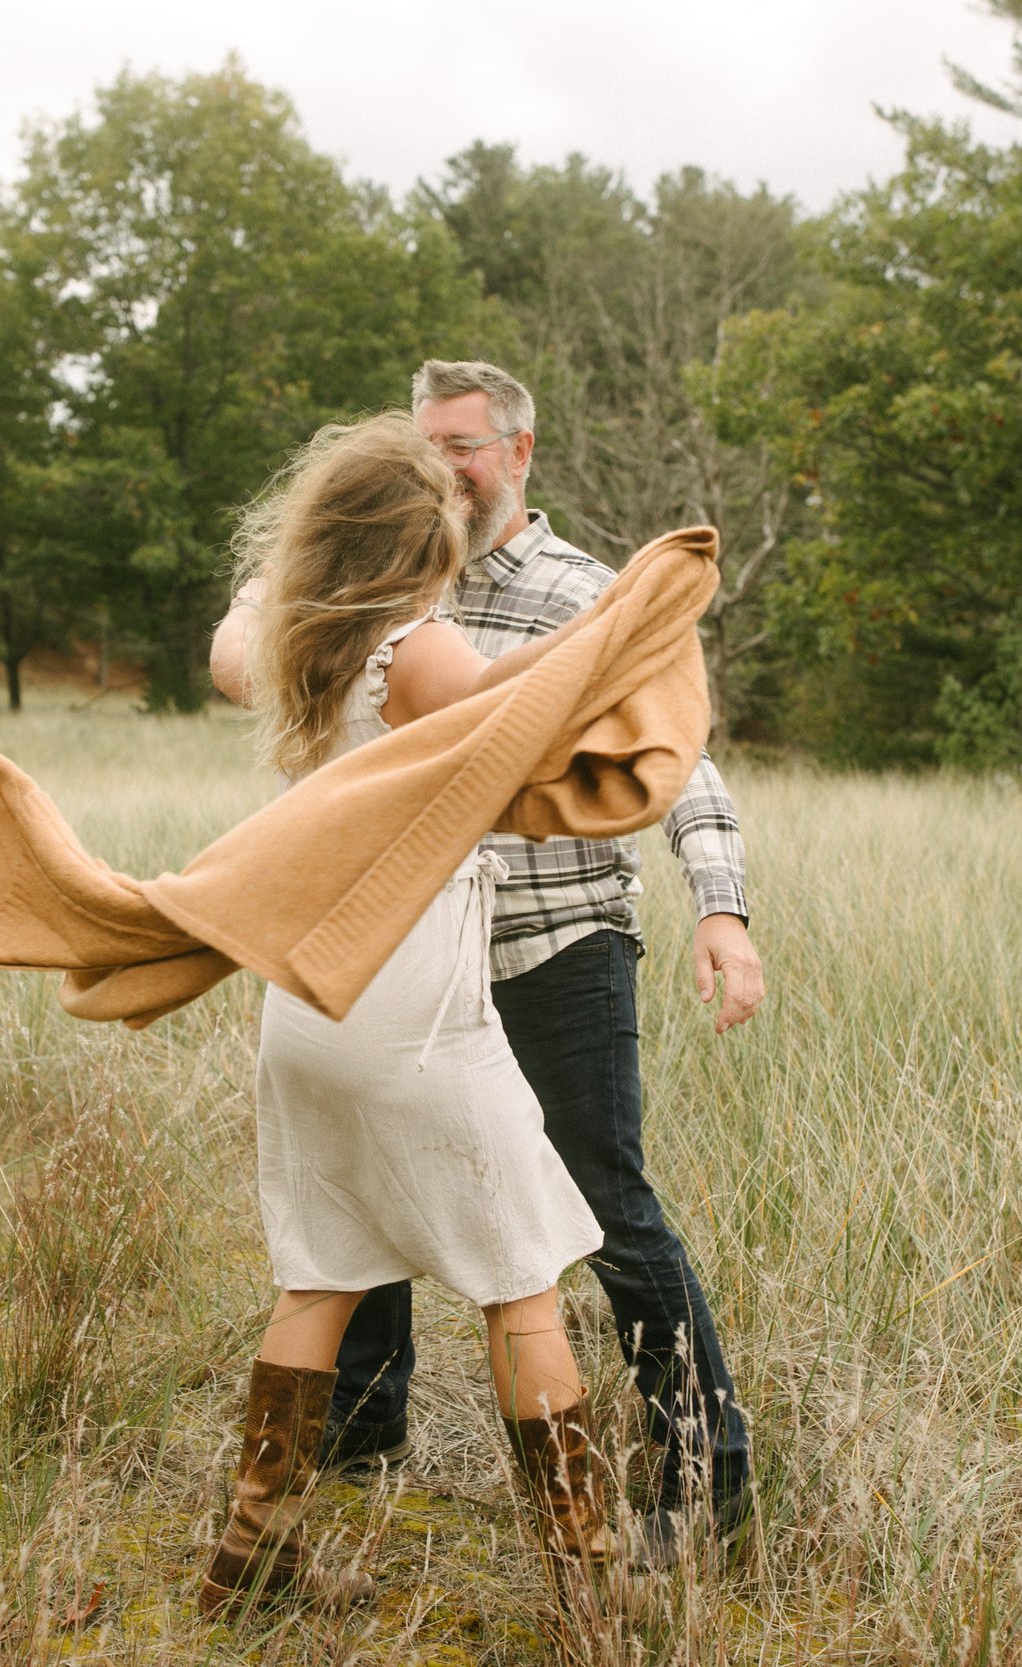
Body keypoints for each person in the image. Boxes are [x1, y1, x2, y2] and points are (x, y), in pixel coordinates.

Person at [212, 360, 765, 1570]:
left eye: (465, 445)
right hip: (400, 962)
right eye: (427, 445)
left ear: (519, 453)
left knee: (607, 1211)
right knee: (372, 1207)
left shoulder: (578, 590)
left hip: (551, 944)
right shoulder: (376, 606)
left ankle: (699, 1481)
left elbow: (682, 761)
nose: (446, 467)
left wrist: (719, 911)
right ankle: (365, 1445)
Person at [196, 414, 619, 1617]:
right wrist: (616, 623)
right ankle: (590, 1579)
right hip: (413, 1007)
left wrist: (278, 577)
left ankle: (250, 1551)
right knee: (522, 1279)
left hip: (305, 1009)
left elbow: (234, 632)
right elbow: (519, 707)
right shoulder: (416, 654)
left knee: (320, 1274)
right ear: (419, 543)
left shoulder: (283, 652)